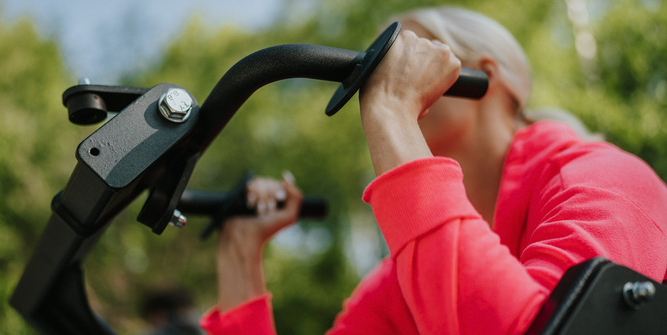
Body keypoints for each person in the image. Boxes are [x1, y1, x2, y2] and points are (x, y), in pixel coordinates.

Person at [199, 6, 667, 335]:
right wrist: (240, 255)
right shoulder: (408, 271)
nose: (380, 82)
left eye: (406, 57)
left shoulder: (603, 181)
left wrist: (392, 114)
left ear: (486, 77)